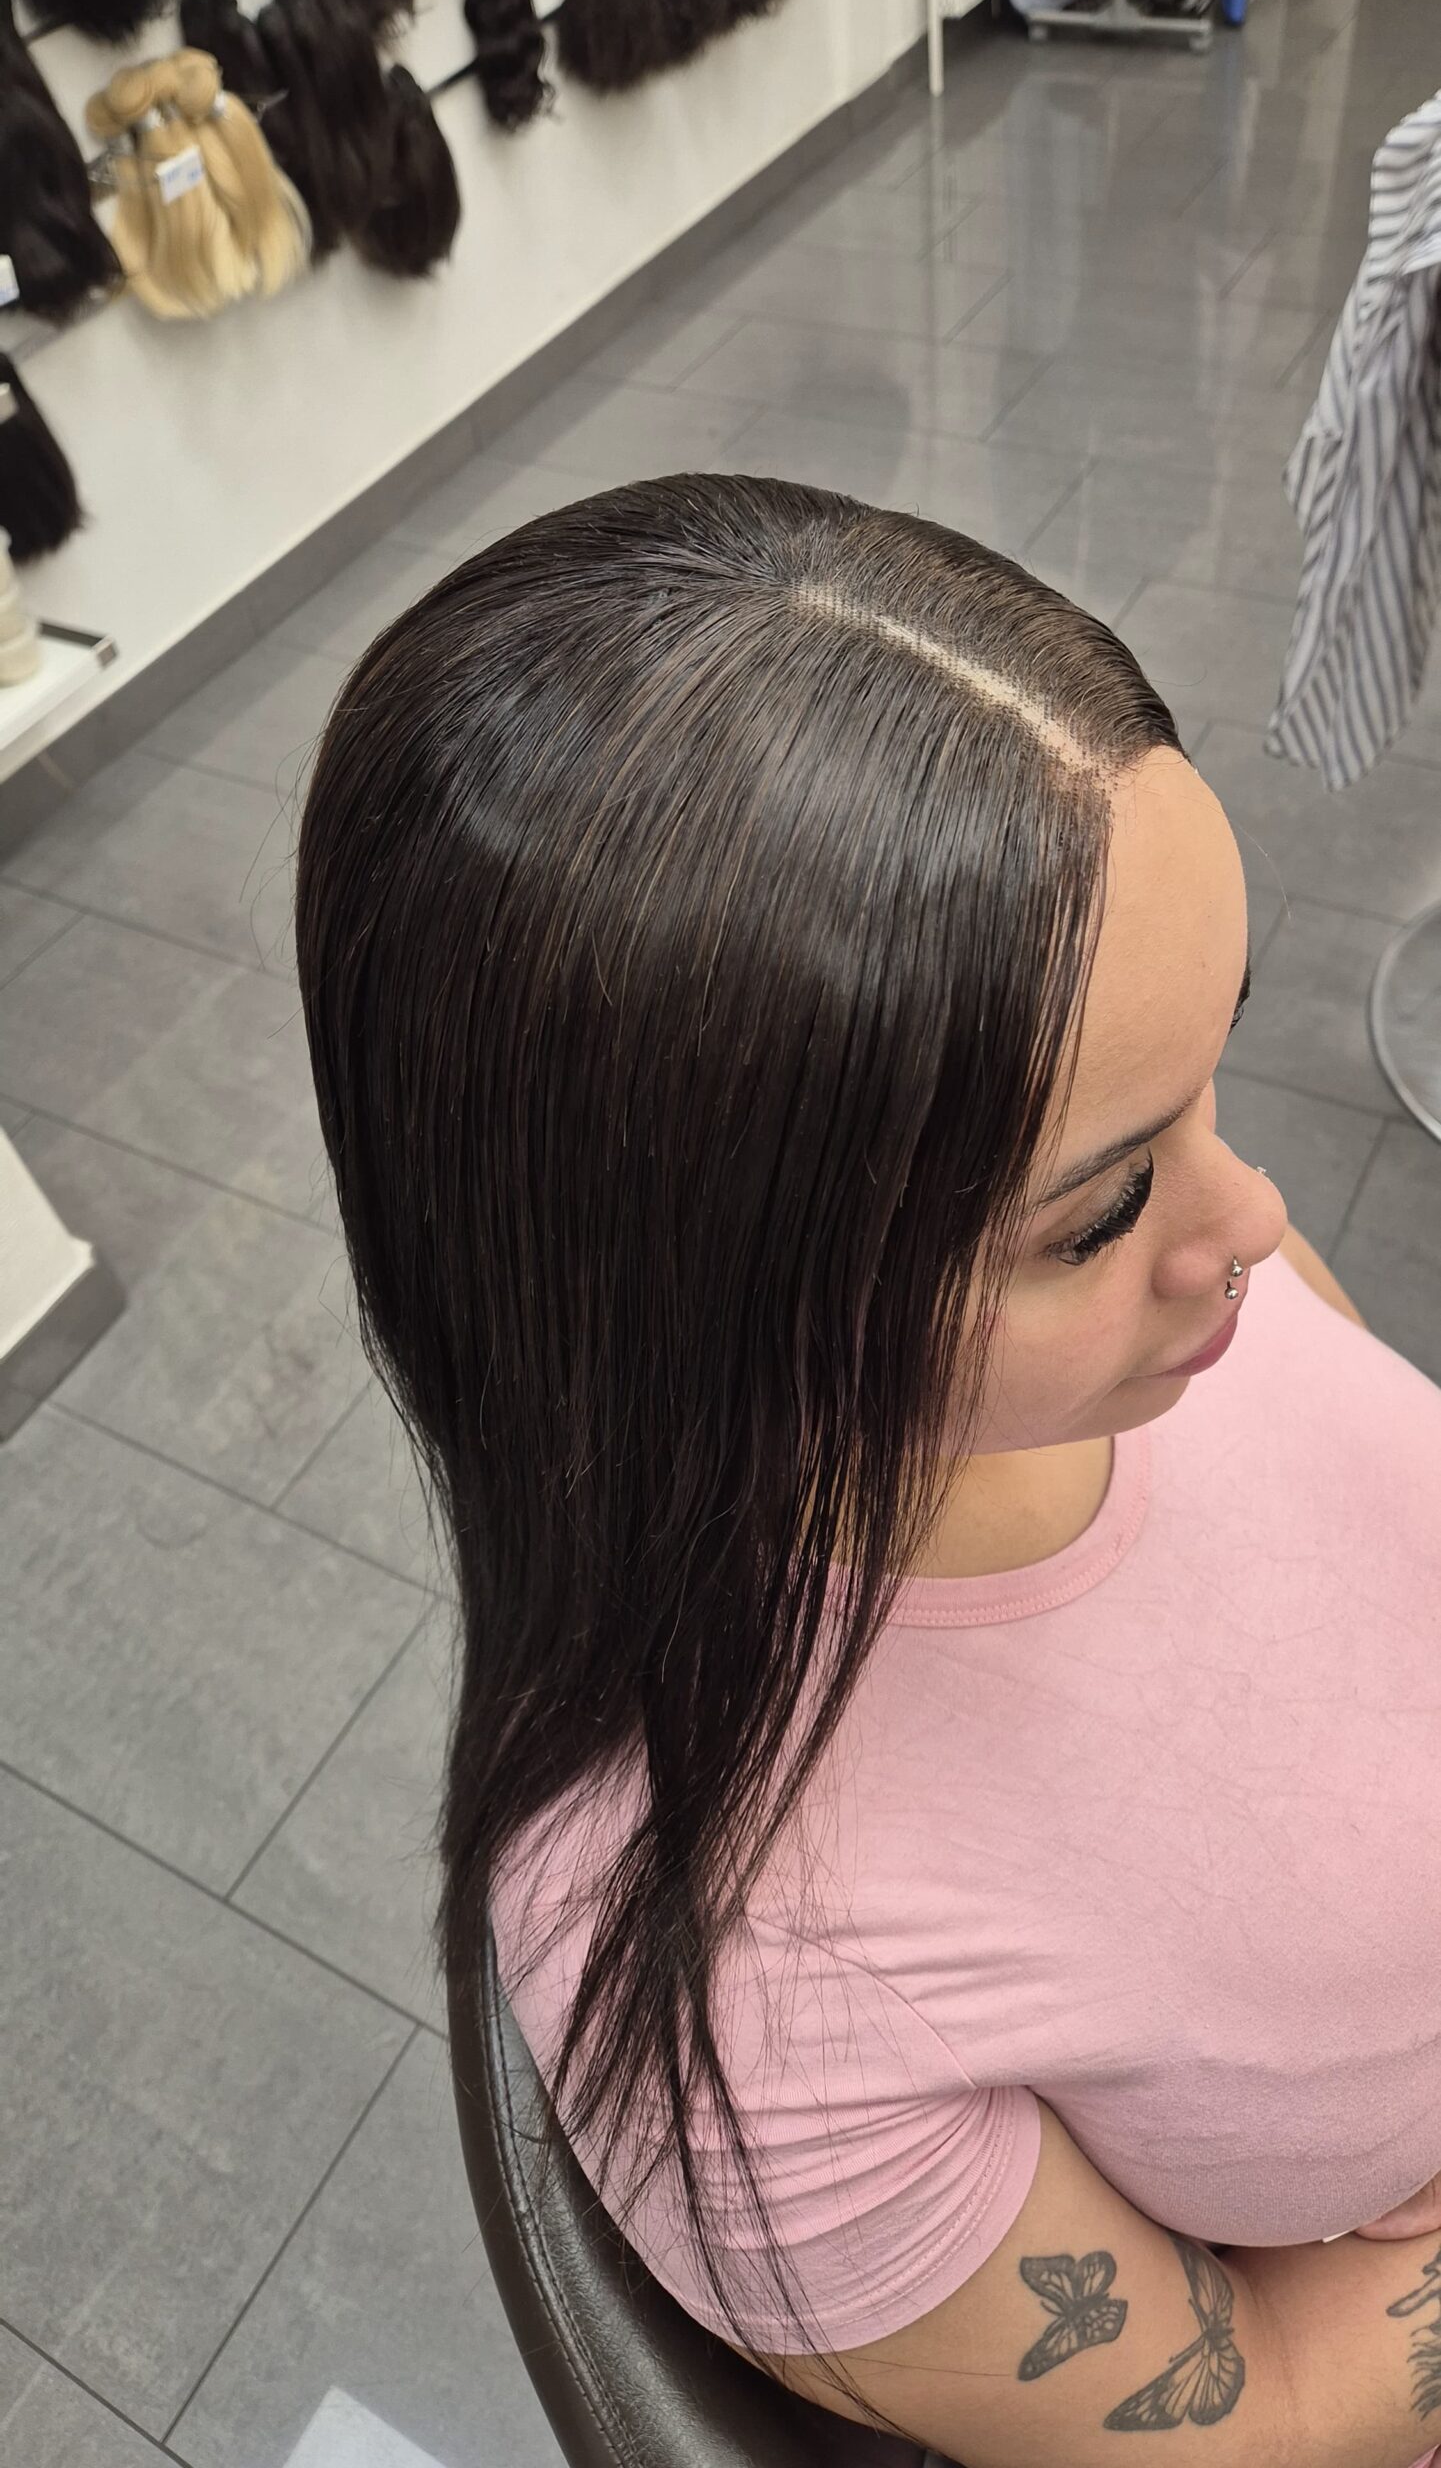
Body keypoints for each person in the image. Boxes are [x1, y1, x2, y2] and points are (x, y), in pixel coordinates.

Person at [295, 474, 1441, 2467]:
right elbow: (1257, 2417)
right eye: (1098, 1208)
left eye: (1209, 1075)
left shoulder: (1148, 1322)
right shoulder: (764, 1977)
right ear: (696, 1290)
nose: (1253, 1221)